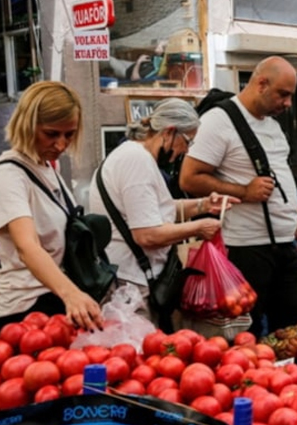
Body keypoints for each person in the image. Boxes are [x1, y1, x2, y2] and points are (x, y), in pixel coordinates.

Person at [179, 56, 297, 336]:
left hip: (284, 245)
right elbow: (189, 178)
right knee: (246, 337)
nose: (288, 104)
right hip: (247, 249)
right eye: (283, 94)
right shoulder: (219, 121)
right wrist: (244, 191)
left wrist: (296, 223)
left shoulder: (272, 125)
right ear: (261, 84)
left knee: (295, 333)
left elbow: (280, 175)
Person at [88, 98, 236, 327]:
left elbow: (155, 211)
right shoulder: (136, 161)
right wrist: (200, 227)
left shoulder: (133, 156)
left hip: (132, 282)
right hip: (132, 286)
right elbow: (147, 234)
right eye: (187, 141)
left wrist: (204, 205)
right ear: (169, 132)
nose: (186, 151)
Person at [0, 81, 104, 334]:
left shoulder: (48, 167)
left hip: (56, 300)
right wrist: (71, 294)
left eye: (69, 135)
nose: (61, 145)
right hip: (25, 310)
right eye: (51, 134)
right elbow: (26, 246)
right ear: (27, 125)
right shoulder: (9, 173)